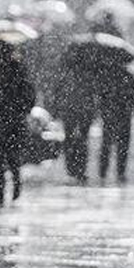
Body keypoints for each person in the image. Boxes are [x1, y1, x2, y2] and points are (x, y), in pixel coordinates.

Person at [0, 40, 36, 207]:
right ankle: (1, 192)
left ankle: (15, 186)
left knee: (11, 158)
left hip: (12, 119)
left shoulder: (18, 69)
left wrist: (20, 107)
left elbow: (28, 93)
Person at [51, 53, 98, 184]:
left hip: (71, 113)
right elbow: (93, 96)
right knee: (80, 140)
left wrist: (56, 110)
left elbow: (57, 95)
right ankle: (79, 168)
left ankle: (73, 167)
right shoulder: (87, 77)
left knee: (71, 139)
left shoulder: (65, 77)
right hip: (81, 113)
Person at [97, 64, 134, 183]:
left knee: (107, 144)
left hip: (110, 115)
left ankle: (103, 172)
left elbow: (100, 96)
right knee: (122, 145)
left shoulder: (107, 76)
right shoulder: (130, 77)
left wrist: (102, 109)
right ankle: (120, 172)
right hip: (124, 115)